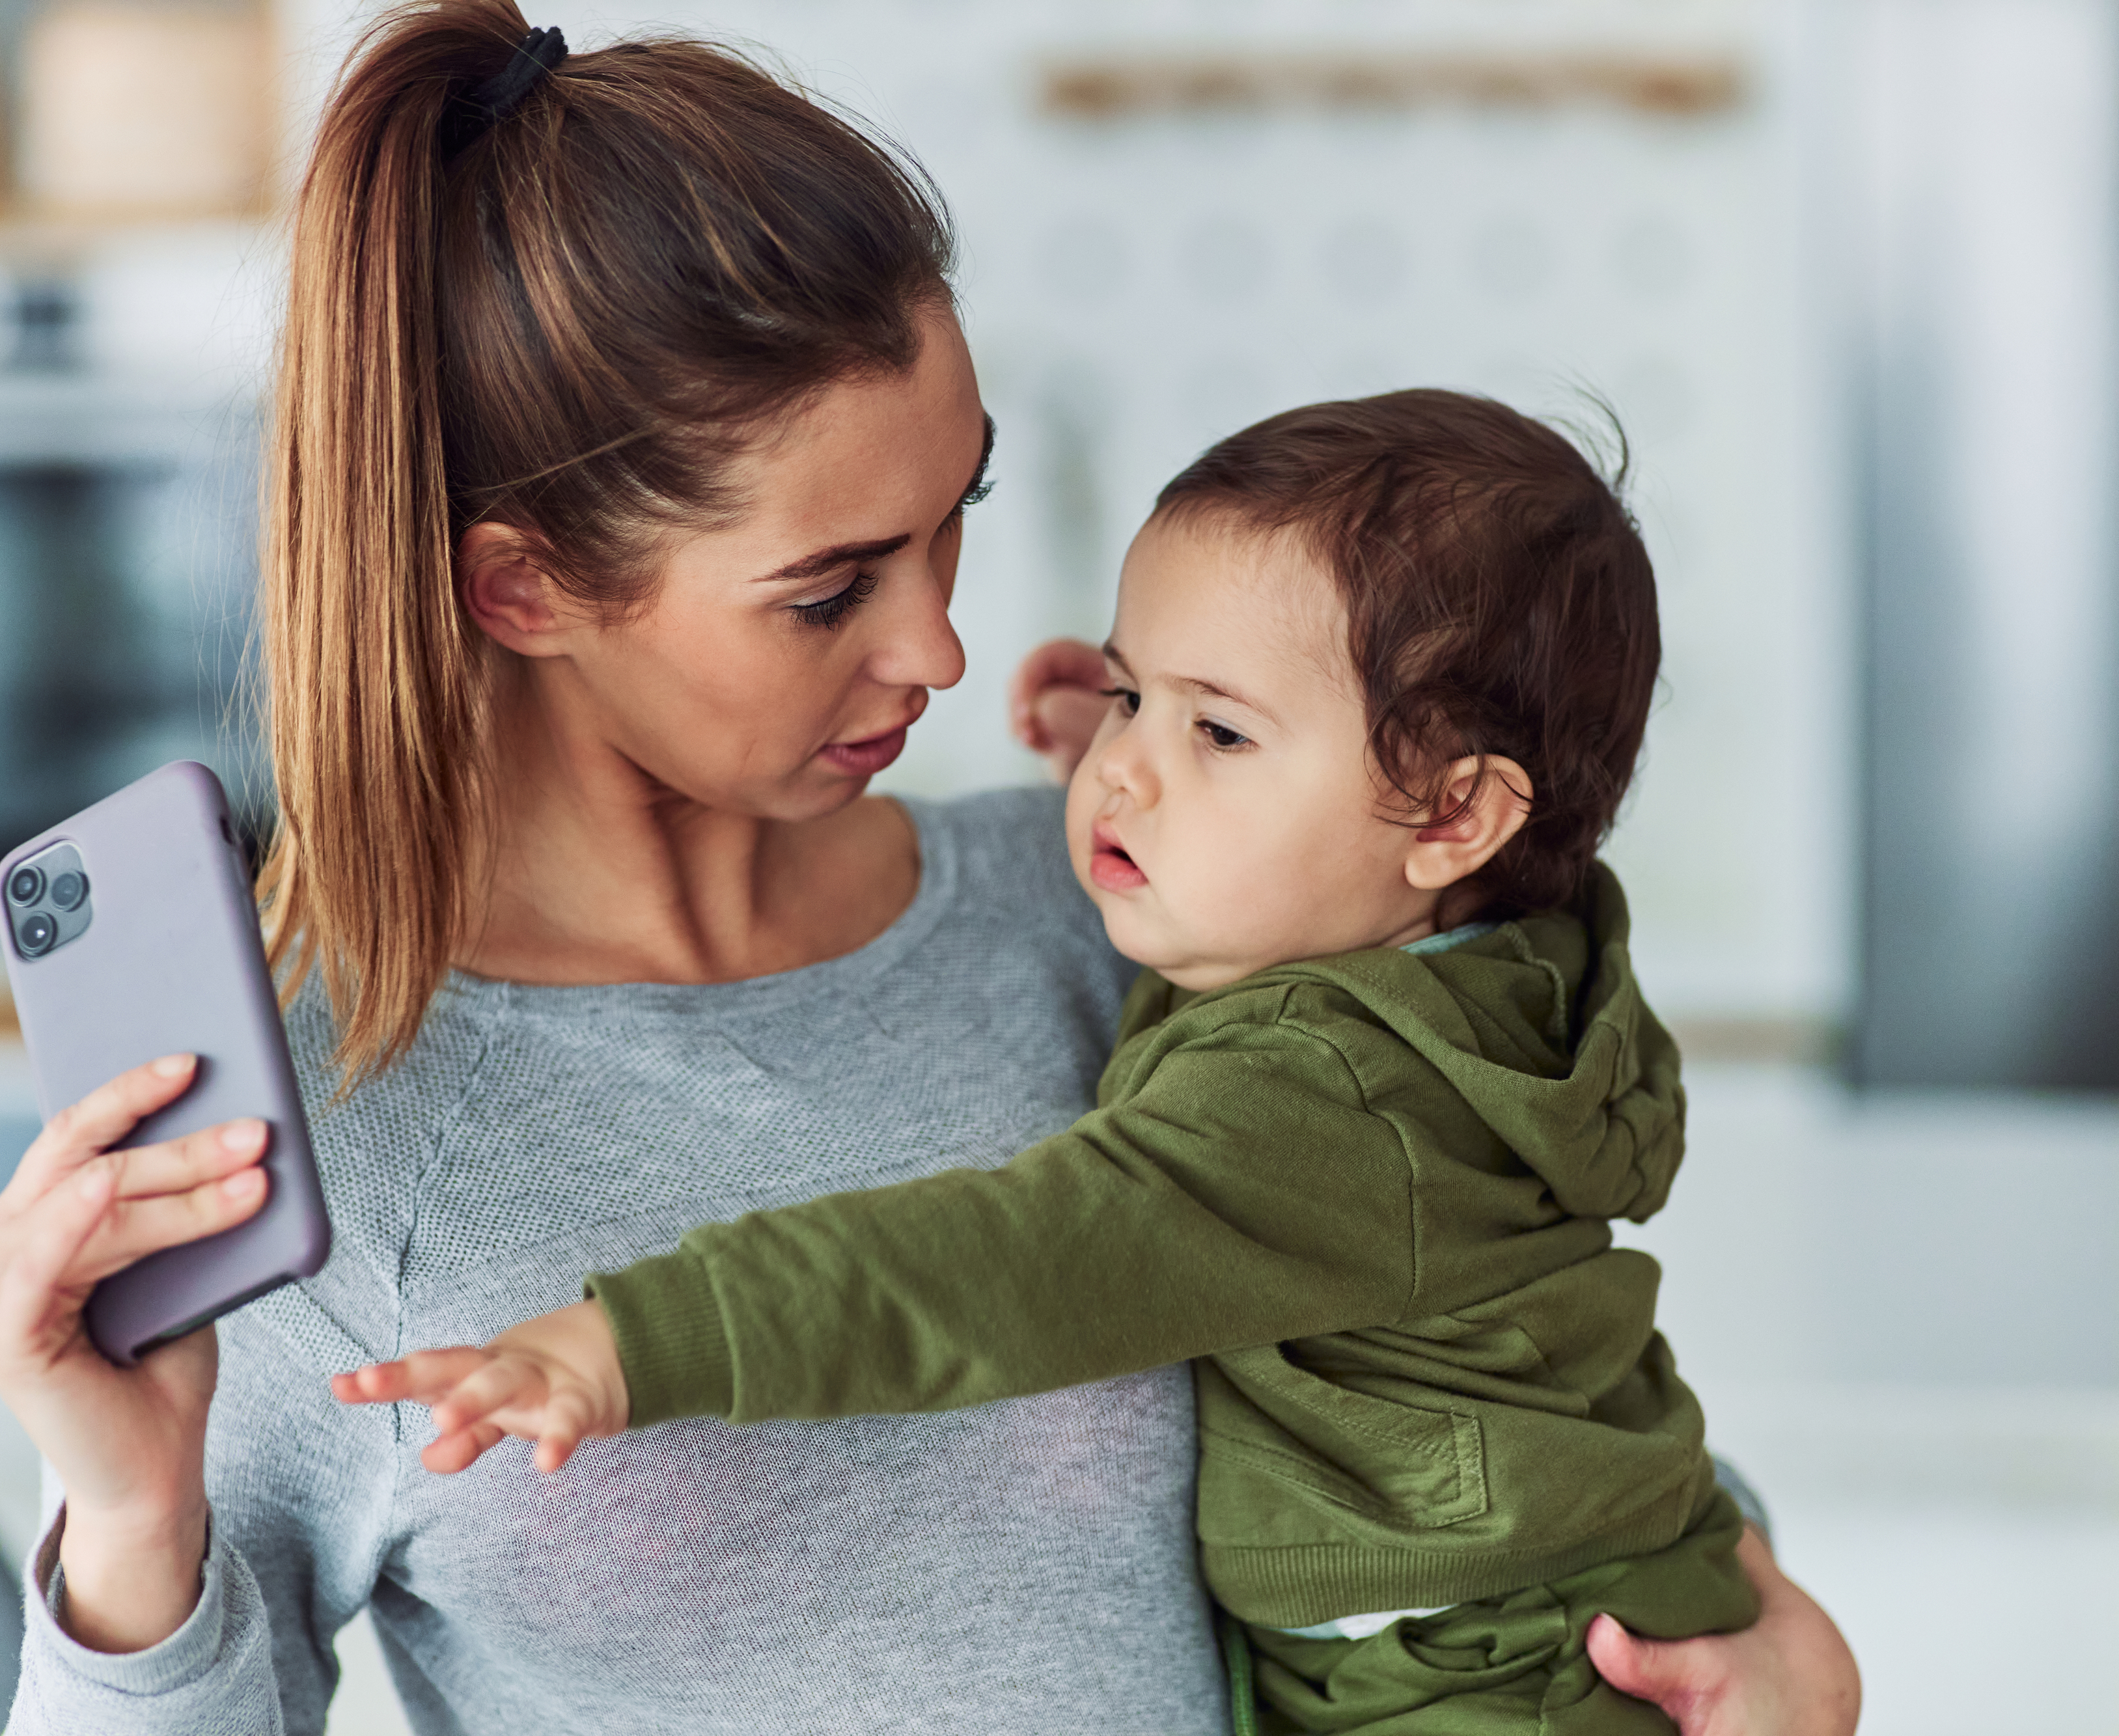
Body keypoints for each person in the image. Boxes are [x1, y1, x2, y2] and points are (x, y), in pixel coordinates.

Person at [0, 5, 1862, 1732]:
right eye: (828, 588)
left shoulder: (1097, 919)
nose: (943, 650)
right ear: (521, 586)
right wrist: (127, 1521)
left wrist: (1753, 1622)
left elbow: (1472, 1351)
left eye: (958, 523)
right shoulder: (339, 1154)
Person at [344, 390, 1784, 1733]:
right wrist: (1141, 758)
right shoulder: (1507, 974)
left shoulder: (1317, 1105)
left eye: (1217, 727)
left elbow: (999, 1259)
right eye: (1125, 692)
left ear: (1455, 814)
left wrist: (632, 1339)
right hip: (1537, 1615)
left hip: (1471, 1682)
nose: (1125, 765)